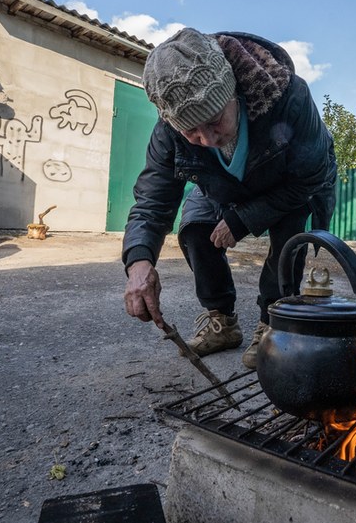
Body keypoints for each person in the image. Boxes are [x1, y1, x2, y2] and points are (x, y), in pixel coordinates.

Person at [122, 28, 337, 369]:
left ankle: (273, 320)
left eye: (214, 120)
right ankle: (222, 320)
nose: (206, 139)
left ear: (234, 92)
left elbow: (308, 179)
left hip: (289, 182)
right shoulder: (170, 130)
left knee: (289, 235)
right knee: (194, 227)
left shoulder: (289, 99)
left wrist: (241, 220)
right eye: (190, 131)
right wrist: (138, 262)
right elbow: (152, 199)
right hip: (224, 185)